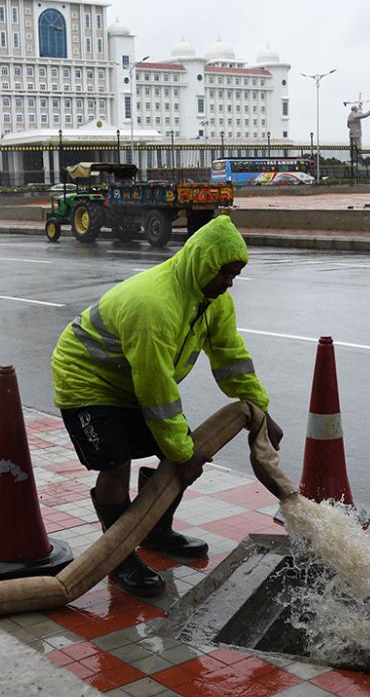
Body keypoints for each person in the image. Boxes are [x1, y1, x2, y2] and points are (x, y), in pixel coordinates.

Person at [51, 216, 283, 597]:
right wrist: (182, 452)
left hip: (132, 382)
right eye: (225, 273)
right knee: (117, 464)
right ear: (204, 264)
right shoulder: (154, 305)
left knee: (181, 452)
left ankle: (154, 530)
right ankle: (119, 557)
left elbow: (230, 359)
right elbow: (155, 389)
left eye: (235, 275)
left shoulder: (214, 301)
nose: (229, 283)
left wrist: (260, 411)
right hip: (87, 380)